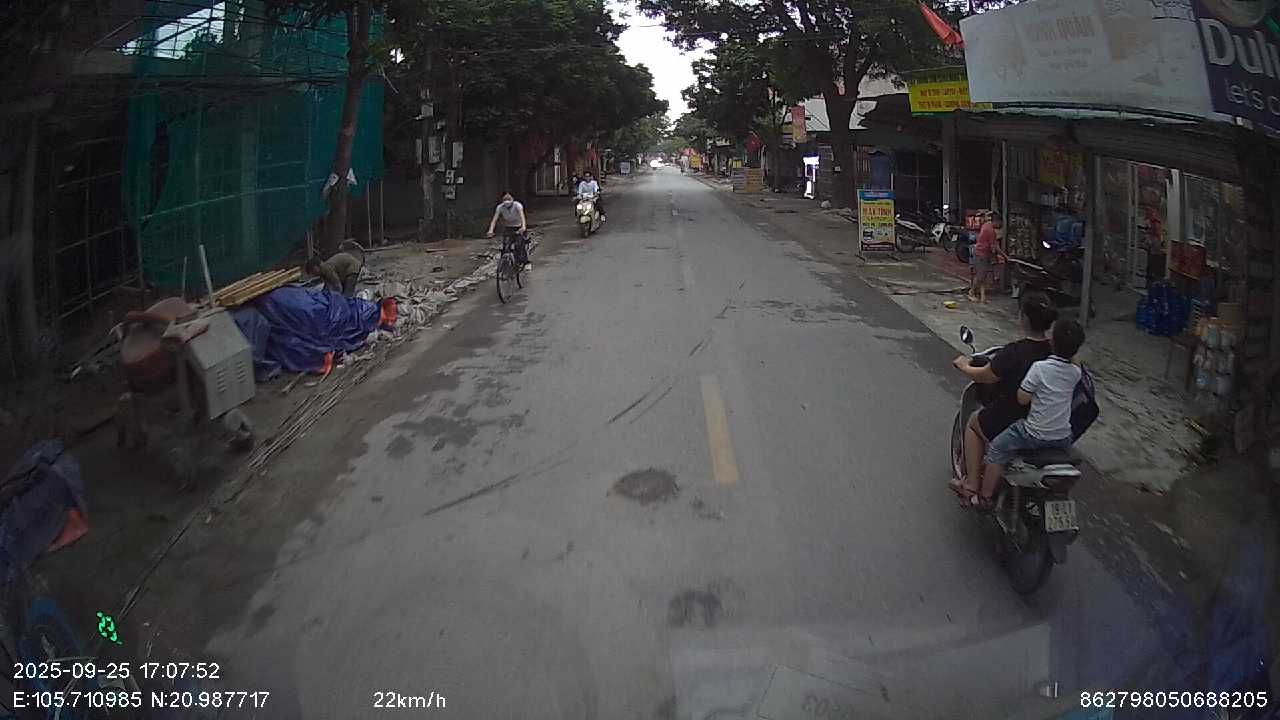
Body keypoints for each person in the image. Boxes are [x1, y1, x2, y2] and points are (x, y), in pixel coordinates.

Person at [950, 291, 1058, 499]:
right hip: (1046, 418)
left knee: (973, 423)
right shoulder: (1055, 351)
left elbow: (985, 376)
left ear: (1024, 318)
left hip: (1015, 417)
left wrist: (964, 366)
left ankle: (971, 485)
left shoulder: (1014, 352)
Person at [971, 319, 1086, 509]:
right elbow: (1075, 362)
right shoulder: (1075, 373)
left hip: (1033, 434)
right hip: (1063, 437)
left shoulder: (1039, 368)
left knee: (997, 448)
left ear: (1052, 341)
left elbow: (1022, 399)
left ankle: (985, 497)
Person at [486, 191, 530, 268]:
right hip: (508, 228)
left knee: (519, 245)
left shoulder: (518, 205)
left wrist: (523, 227)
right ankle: (504, 264)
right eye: (504, 199)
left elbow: (522, 217)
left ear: (513, 199)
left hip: (519, 227)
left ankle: (525, 262)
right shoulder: (500, 207)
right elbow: (494, 220)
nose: (507, 201)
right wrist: (491, 230)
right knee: (506, 246)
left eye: (509, 199)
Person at [969, 211, 1004, 303]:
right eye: (1000, 223)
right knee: (980, 276)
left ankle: (983, 297)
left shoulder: (986, 225)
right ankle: (971, 292)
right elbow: (995, 246)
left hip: (981, 253)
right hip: (981, 254)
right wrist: (1003, 255)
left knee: (982, 276)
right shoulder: (991, 231)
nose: (1000, 225)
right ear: (996, 221)